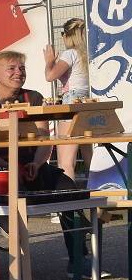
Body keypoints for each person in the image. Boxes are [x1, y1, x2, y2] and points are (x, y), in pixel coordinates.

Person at [0, 51, 91, 274]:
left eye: (22, 68)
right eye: (12, 68)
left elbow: (44, 139)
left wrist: (36, 162)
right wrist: (7, 166)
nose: (19, 73)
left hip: (32, 167)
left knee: (68, 188)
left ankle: (78, 258)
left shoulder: (33, 97)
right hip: (1, 171)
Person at [44, 18, 92, 181]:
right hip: (87, 102)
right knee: (89, 157)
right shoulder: (88, 53)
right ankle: (96, 196)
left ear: (66, 35)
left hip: (71, 101)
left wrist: (49, 62)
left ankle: (70, 203)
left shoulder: (70, 53)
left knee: (66, 161)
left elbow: (50, 76)